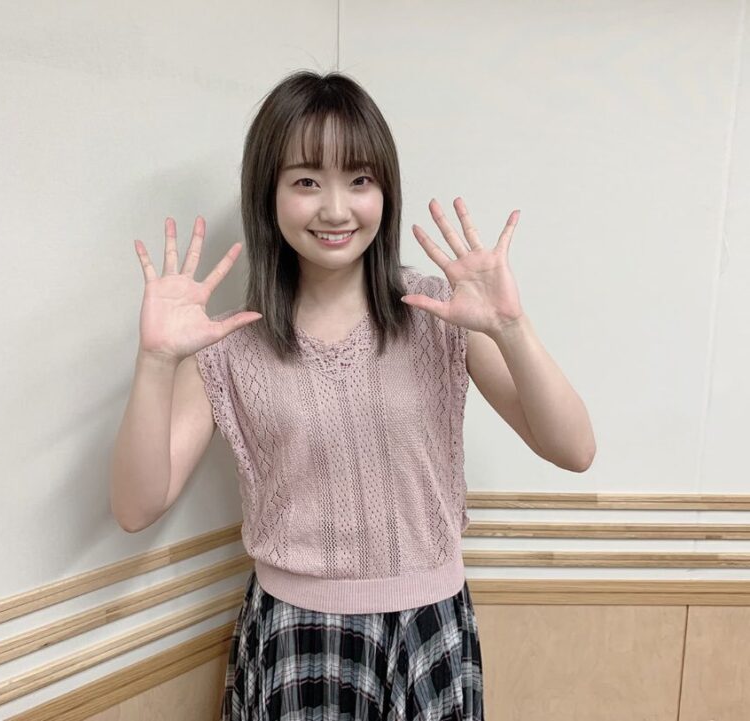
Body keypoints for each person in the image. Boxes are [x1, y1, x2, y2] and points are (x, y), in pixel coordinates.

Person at [111, 69, 595, 720]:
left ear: (385, 191)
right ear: (268, 192)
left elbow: (573, 449)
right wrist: (155, 361)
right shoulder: (231, 345)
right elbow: (136, 506)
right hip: (295, 636)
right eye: (306, 180)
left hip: (428, 628)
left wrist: (511, 327)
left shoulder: (440, 312)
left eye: (359, 179)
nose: (336, 209)